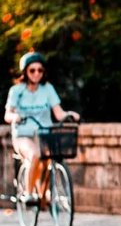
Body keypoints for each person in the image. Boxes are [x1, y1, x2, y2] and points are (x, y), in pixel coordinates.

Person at [4, 52, 80, 204]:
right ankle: (28, 193)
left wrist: (69, 114)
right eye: (32, 70)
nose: (36, 74)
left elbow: (58, 113)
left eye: (40, 70)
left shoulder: (47, 89)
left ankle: (44, 193)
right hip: (23, 134)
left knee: (48, 159)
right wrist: (15, 117)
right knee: (34, 154)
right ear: (25, 71)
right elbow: (7, 115)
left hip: (44, 134)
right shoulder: (16, 91)